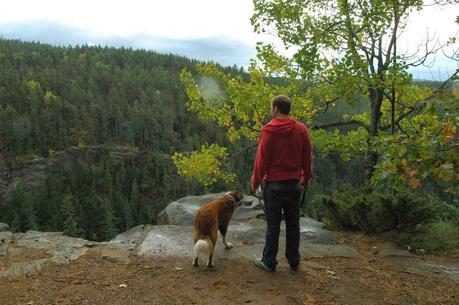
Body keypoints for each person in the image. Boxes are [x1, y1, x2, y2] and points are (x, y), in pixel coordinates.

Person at [251, 95, 313, 271]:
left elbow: (261, 161)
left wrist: (255, 182)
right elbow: (307, 158)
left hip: (273, 186)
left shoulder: (268, 131)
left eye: (272, 107)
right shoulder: (301, 129)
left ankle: (269, 261)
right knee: (293, 224)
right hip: (294, 185)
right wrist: (306, 179)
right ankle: (294, 260)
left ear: (276, 108)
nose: (271, 110)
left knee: (273, 225)